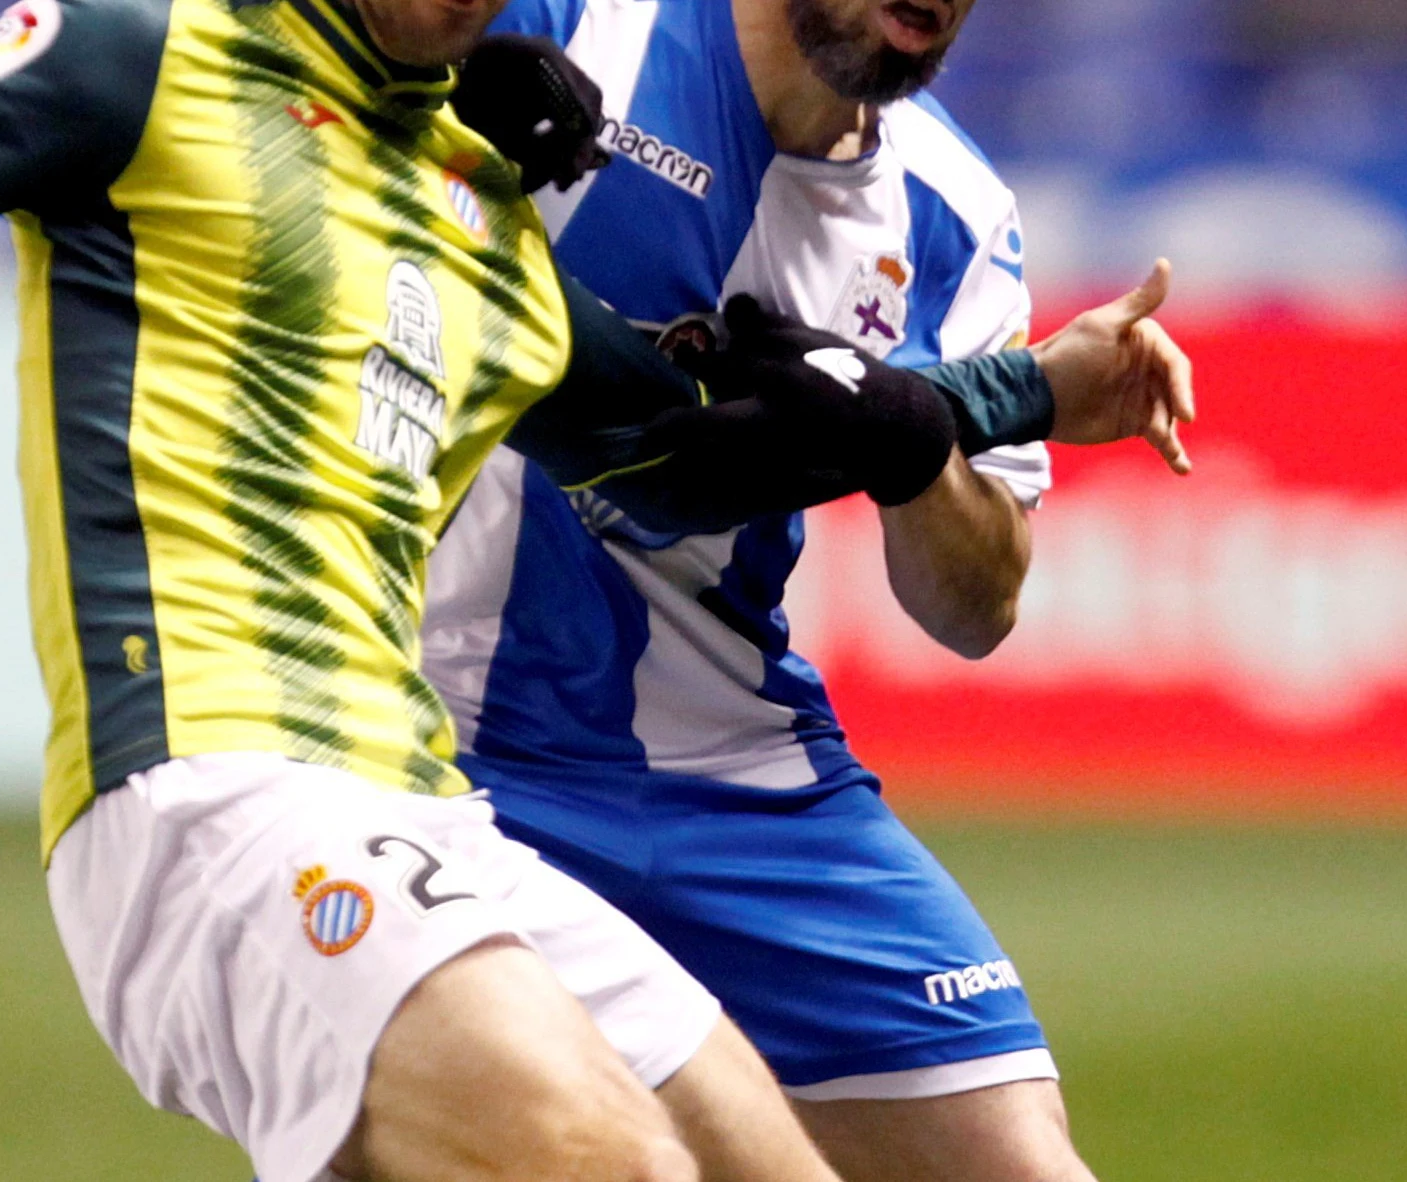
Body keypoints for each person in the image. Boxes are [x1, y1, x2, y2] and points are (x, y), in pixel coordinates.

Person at [0, 2, 1187, 1180]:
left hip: (431, 809)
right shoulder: (142, 51)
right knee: (606, 1160)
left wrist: (1016, 396)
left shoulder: (481, 218)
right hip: (210, 785)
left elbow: (706, 450)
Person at [422, 2, 1196, 1180]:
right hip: (437, 750)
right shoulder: (580, 27)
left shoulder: (954, 213)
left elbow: (974, 606)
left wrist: (910, 444)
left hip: (743, 779)